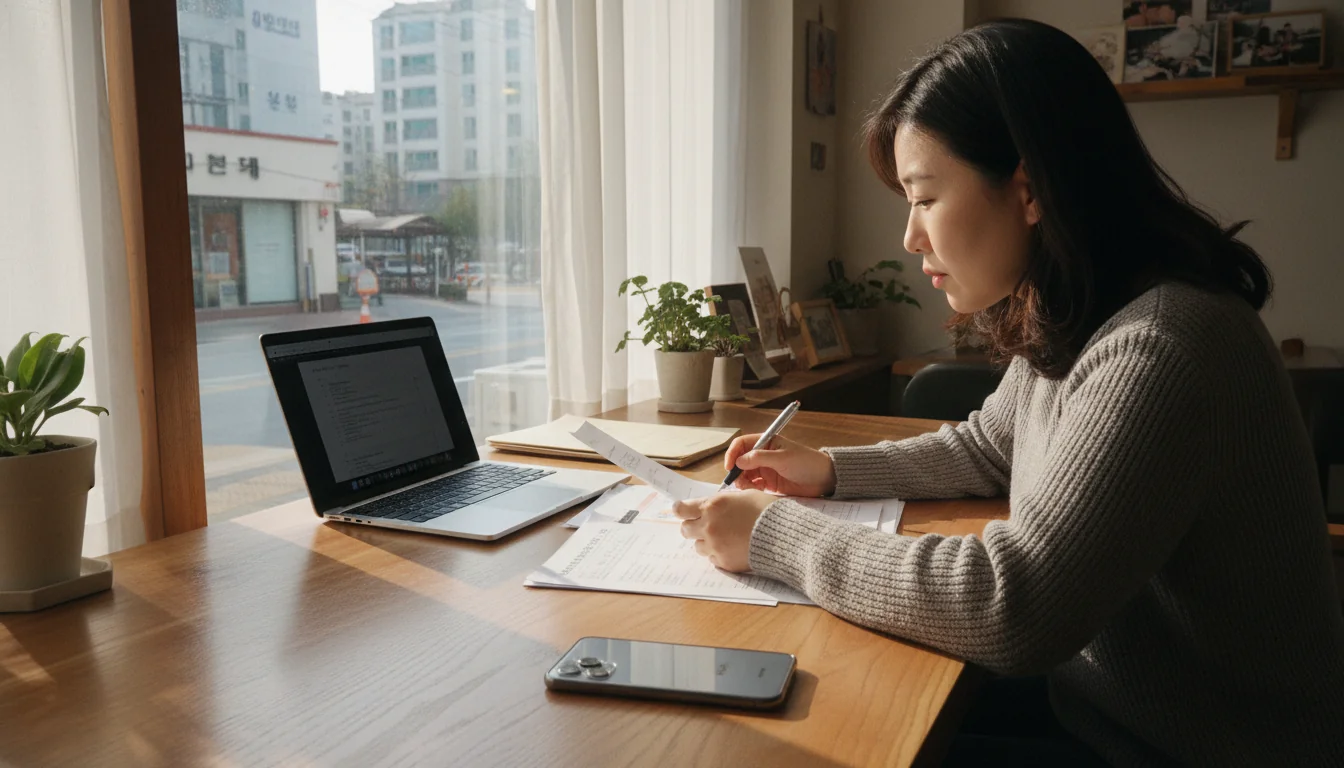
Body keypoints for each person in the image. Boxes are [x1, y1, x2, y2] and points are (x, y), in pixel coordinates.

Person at [672, 19, 1344, 766]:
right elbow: (990, 447)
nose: (910, 237)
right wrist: (829, 471)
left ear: (1028, 190)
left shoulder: (1163, 344)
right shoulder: (1084, 310)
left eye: (924, 198)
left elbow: (1014, 605)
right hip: (1102, 707)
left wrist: (775, 536)